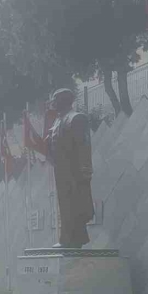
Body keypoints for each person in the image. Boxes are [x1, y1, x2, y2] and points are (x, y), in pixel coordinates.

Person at [46, 88, 94, 248]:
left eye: (55, 100)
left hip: (74, 172)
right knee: (65, 205)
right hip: (61, 171)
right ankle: (70, 239)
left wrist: (85, 172)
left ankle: (70, 240)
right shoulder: (57, 121)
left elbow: (84, 147)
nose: (52, 103)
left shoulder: (76, 118)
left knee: (75, 206)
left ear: (63, 101)